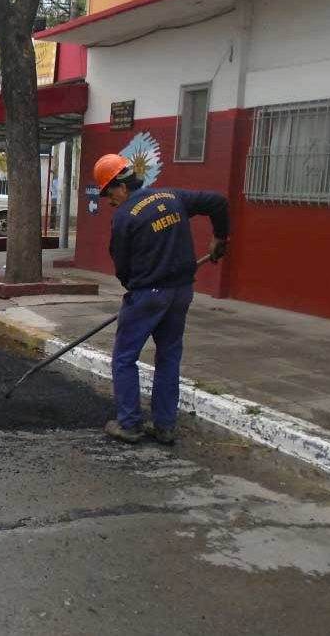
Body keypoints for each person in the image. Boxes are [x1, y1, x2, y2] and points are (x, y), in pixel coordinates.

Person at [94, 153, 229, 445]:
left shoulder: (124, 217)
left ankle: (129, 424)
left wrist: (134, 289)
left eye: (108, 193)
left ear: (121, 186)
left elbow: (121, 266)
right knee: (168, 357)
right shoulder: (172, 196)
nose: (109, 200)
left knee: (124, 358)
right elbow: (218, 203)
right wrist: (221, 237)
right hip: (181, 292)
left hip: (148, 295)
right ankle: (165, 426)